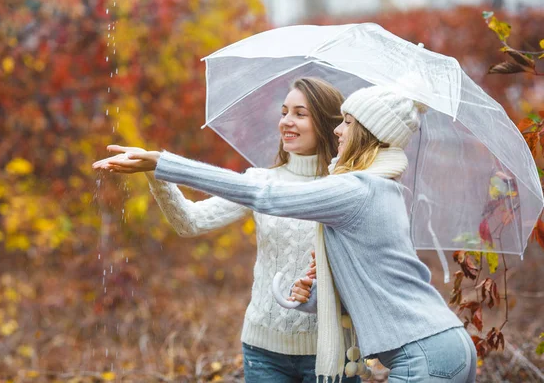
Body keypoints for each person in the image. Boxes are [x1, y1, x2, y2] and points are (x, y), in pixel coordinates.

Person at [93, 84, 478, 383]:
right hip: (438, 343)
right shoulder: (378, 187)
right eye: (283, 112)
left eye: (345, 121)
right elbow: (370, 281)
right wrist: (312, 297)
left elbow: (266, 196)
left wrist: (165, 163)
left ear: (362, 131)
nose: (339, 129)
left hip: (410, 353)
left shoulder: (351, 189)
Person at [94, 78, 361, 383]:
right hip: (264, 351)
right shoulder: (260, 181)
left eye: (300, 114)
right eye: (284, 111)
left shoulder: (347, 188)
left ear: (328, 123)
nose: (286, 121)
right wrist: (157, 173)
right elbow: (190, 222)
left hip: (332, 351)